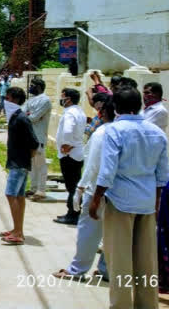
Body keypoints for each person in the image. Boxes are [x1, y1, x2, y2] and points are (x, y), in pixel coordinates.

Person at [90, 87, 169, 309]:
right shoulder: (157, 132)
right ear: (140, 106)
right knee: (147, 261)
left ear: (115, 107)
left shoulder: (114, 131)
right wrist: (155, 203)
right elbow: (162, 176)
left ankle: (121, 305)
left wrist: (96, 199)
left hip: (119, 201)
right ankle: (147, 304)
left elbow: (107, 171)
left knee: (120, 260)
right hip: (146, 201)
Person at [52, 95, 114, 282]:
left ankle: (77, 270)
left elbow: (93, 166)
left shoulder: (103, 133)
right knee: (112, 234)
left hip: (96, 189)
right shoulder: (138, 132)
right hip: (120, 193)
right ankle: (106, 270)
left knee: (88, 231)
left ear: (102, 112)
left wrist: (81, 188)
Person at [0, 87, 39, 245]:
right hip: (18, 162)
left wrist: (26, 158)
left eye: (7, 98)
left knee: (11, 194)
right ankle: (17, 229)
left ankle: (17, 232)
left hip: (19, 163)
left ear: (14, 99)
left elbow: (34, 142)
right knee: (19, 196)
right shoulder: (15, 117)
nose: (5, 101)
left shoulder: (21, 118)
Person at [54, 88, 86, 225]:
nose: (61, 100)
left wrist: (67, 144)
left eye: (63, 97)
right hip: (77, 152)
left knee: (72, 186)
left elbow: (68, 130)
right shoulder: (79, 111)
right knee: (75, 184)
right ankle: (73, 212)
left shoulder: (70, 113)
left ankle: (73, 214)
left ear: (69, 99)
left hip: (69, 154)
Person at [25, 79, 52, 201]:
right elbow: (23, 113)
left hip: (39, 136)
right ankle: (33, 187)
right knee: (32, 164)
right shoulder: (30, 100)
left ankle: (41, 190)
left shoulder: (45, 100)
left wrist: (28, 115)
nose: (30, 87)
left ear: (40, 87)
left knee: (40, 164)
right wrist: (28, 115)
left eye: (33, 86)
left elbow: (34, 117)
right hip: (29, 136)